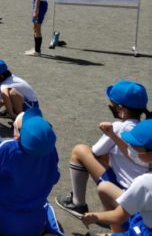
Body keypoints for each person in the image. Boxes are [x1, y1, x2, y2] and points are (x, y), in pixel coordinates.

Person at [56, 80, 149, 219]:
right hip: (145, 197)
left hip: (126, 197)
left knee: (80, 151)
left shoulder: (118, 127)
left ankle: (77, 203)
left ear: (121, 109)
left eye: (112, 103)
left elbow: (95, 152)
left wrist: (110, 135)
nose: (110, 105)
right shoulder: (147, 130)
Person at [0, 108, 63, 236]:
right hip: (36, 224)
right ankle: (53, 231)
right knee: (45, 204)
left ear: (18, 136)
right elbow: (55, 177)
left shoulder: (7, 148)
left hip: (6, 223)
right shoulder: (51, 151)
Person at [82, 119, 152, 235]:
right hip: (145, 217)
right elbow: (134, 156)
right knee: (105, 187)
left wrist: (93, 217)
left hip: (145, 230)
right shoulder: (147, 165)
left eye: (136, 145)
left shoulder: (145, 182)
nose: (131, 147)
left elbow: (118, 216)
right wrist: (112, 135)